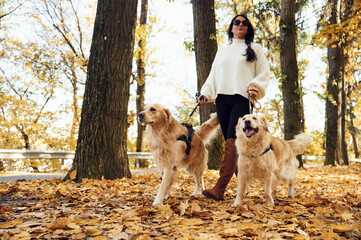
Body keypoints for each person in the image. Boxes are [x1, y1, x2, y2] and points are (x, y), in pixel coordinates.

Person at [197, 14, 270, 201]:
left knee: (232, 142)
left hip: (242, 98)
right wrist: (205, 93)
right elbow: (213, 75)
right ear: (231, 27)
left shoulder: (255, 48)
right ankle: (242, 187)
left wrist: (255, 85)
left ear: (248, 28)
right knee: (233, 144)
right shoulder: (223, 51)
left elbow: (263, 72)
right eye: (237, 22)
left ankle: (219, 189)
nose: (240, 25)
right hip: (222, 99)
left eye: (245, 23)